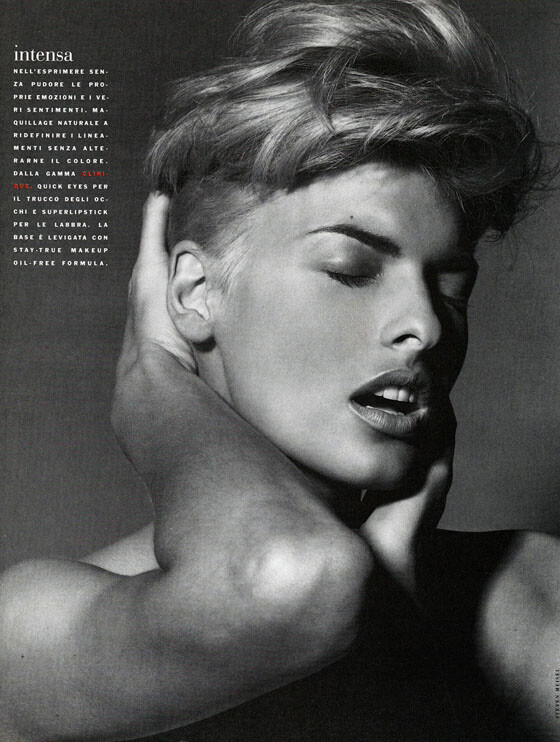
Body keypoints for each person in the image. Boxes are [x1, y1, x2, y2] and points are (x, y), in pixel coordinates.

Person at [1, 0, 559, 740]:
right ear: (193, 295)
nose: (425, 327)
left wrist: (395, 600)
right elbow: (285, 580)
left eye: (452, 288)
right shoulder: (34, 632)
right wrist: (151, 378)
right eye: (351, 269)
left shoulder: (533, 589)